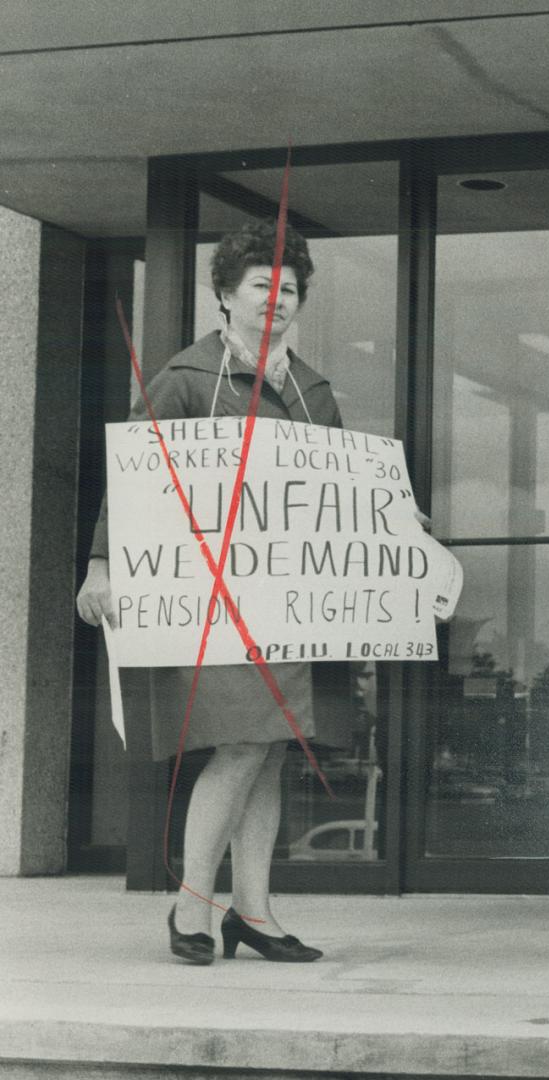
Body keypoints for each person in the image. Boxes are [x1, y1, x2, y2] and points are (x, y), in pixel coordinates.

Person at [76, 221, 339, 965]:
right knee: (244, 740)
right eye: (262, 286)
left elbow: (339, 488)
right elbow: (136, 477)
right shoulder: (189, 378)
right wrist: (102, 564)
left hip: (289, 603)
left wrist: (393, 516)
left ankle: (252, 912)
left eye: (289, 289)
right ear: (225, 295)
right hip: (215, 602)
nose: (277, 300)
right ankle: (193, 901)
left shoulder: (313, 391)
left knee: (273, 746)